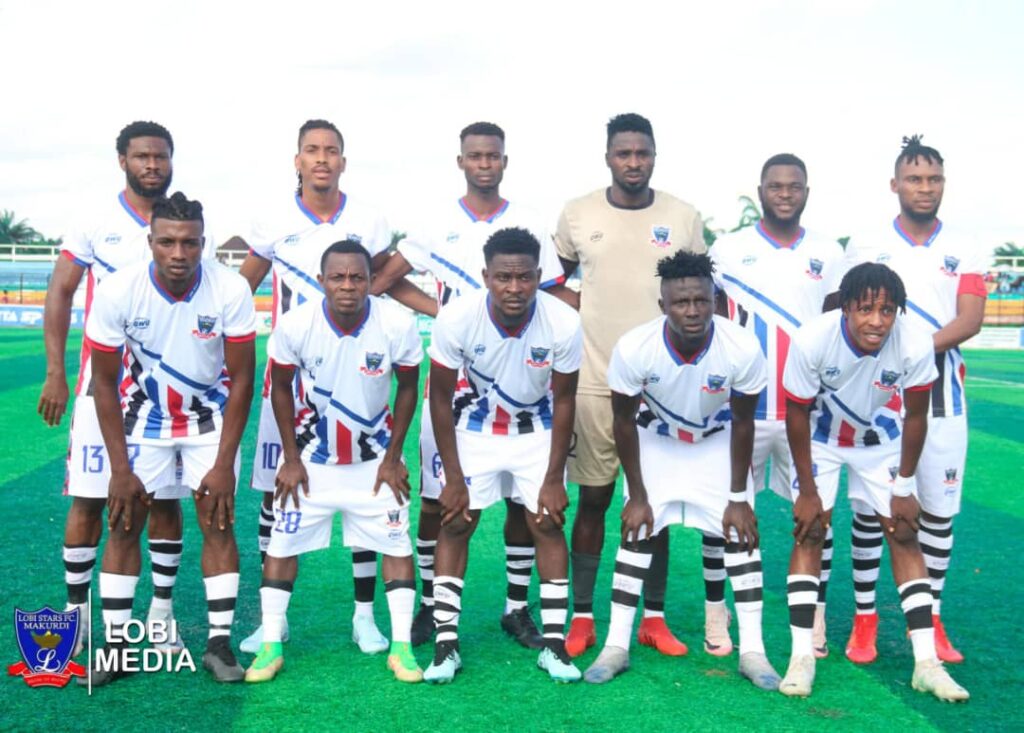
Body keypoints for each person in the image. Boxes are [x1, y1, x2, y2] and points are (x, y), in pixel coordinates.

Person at [370, 121, 570, 649]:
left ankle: (516, 608)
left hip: (523, 379)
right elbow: (383, 280)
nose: (484, 164)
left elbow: (551, 291)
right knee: (438, 501)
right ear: (460, 161)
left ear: (505, 161)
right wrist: (445, 314)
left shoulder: (529, 221)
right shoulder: (437, 221)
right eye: (475, 156)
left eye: (493, 156)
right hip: (455, 378)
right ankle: (431, 607)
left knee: (523, 506)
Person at [583, 251, 781, 690]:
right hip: (657, 439)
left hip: (716, 440)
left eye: (701, 301)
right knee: (636, 531)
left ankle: (753, 652)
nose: (692, 311)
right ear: (663, 306)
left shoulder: (742, 346)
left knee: (742, 536)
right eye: (681, 302)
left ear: (716, 301)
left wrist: (737, 498)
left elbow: (744, 422)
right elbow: (623, 422)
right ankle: (616, 646)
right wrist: (637, 495)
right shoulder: (635, 347)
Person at [81, 192, 255, 685]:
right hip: (144, 420)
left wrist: (223, 464)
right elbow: (105, 384)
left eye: (190, 243)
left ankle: (218, 646)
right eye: (167, 242)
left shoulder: (230, 289)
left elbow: (243, 378)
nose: (179, 253)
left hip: (208, 420)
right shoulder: (119, 290)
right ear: (150, 241)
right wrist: (120, 469)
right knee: (123, 524)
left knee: (218, 522)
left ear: (204, 243)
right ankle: (117, 648)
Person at [38, 121, 196, 656]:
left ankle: (161, 616)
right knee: (89, 498)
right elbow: (60, 292)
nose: (152, 165)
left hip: (168, 392)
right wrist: (56, 372)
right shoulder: (94, 222)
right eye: (142, 156)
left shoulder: (186, 223)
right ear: (122, 160)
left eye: (161, 156)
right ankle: (76, 614)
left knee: (165, 501)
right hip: (100, 385)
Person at [236, 119, 393, 655]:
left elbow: (384, 280)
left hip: (356, 379)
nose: (322, 158)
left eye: (331, 150)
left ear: (343, 161)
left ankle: (365, 617)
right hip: (289, 383)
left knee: (366, 498)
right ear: (297, 161)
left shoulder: (369, 220)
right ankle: (273, 621)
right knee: (275, 495)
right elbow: (241, 287)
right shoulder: (274, 219)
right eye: (312, 150)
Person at [778, 262, 968, 702]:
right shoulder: (812, 339)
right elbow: (797, 413)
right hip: (822, 439)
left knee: (903, 533)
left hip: (881, 439)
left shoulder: (914, 341)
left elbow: (916, 416)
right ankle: (801, 657)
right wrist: (807, 490)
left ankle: (926, 664)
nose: (877, 321)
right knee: (810, 531)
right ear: (846, 307)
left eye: (887, 310)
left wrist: (904, 486)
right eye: (866, 309)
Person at [554, 113, 706, 657]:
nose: (634, 162)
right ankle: (582, 617)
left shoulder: (683, 216)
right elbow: (553, 279)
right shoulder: (578, 214)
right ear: (608, 157)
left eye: (643, 153)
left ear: (654, 156)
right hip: (595, 380)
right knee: (593, 500)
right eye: (624, 153)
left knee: (653, 504)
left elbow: (699, 291)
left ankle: (654, 619)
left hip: (663, 389)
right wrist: (582, 309)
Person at [244, 240, 424, 684]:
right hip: (311, 462)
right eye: (338, 277)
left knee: (397, 546)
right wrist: (290, 459)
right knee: (281, 546)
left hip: (373, 462)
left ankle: (401, 648)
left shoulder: (397, 324)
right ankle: (271, 644)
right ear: (321, 280)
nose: (348, 285)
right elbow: (280, 387)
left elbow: (408, 388)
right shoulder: (296, 324)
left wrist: (393, 457)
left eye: (357, 277)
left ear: (370, 281)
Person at [840, 136, 986, 665]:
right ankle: (865, 619)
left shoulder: (966, 245)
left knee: (937, 514)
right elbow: (843, 311)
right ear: (895, 184)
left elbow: (970, 319)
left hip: (943, 399)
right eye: (915, 179)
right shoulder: (866, 243)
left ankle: (932, 618)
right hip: (876, 400)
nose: (925, 188)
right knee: (869, 513)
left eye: (934, 179)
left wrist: (911, 353)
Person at [423, 227, 582, 684]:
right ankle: (446, 646)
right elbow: (439, 398)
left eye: (525, 277)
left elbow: (565, 400)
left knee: (547, 523)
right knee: (456, 522)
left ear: (539, 276)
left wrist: (554, 477)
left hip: (537, 431)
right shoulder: (457, 317)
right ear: (485, 277)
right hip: (474, 430)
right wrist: (453, 478)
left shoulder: (563, 321)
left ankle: (555, 647)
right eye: (503, 277)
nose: (515, 288)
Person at [710, 153, 845, 657]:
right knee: (726, 514)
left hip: (806, 414)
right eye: (775, 186)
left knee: (815, 517)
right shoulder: (728, 249)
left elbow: (836, 327)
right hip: (742, 410)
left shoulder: (829, 253)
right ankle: (717, 613)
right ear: (761, 190)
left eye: (794, 186)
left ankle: (814, 617)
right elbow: (711, 317)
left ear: (807, 192)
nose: (785, 193)